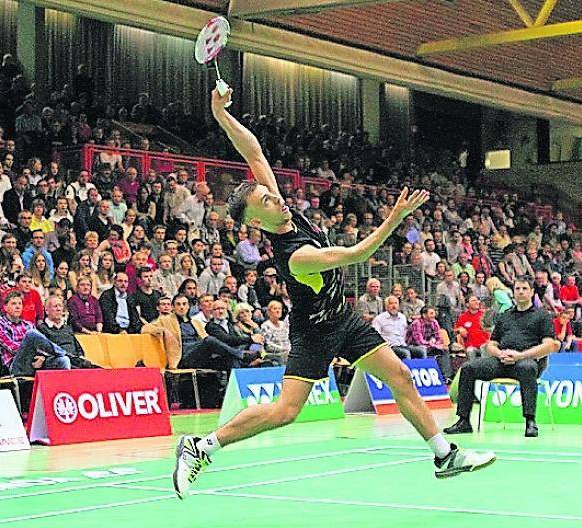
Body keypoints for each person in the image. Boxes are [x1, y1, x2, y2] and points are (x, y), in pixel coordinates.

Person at [172, 88, 495, 500]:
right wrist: (395, 217)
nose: (276, 198)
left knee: (399, 375)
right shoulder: (295, 257)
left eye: (271, 193)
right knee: (285, 411)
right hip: (314, 333)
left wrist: (221, 114)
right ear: (256, 221)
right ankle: (201, 447)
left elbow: (253, 152)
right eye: (267, 200)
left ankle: (444, 455)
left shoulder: (284, 211)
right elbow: (358, 253)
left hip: (342, 318)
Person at [445, 277, 559, 438]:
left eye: (525, 289)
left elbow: (549, 345)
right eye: (517, 288)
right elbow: (491, 344)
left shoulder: (542, 315)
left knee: (527, 368)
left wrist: (520, 355)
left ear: (532, 292)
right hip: (502, 361)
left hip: (527, 361)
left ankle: (530, 421)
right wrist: (500, 353)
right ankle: (463, 421)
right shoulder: (505, 316)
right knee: (468, 368)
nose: (520, 292)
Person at [0, 291, 71, 377]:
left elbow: (40, 345)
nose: (18, 306)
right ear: (5, 307)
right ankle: (64, 353)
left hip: (34, 362)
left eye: (20, 304)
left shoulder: (28, 324)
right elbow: (12, 348)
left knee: (63, 360)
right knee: (31, 334)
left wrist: (42, 357)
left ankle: (65, 382)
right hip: (15, 366)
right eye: (14, 304)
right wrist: (34, 355)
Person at [372, 295, 426, 361]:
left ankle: (422, 367)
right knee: (405, 353)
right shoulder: (379, 319)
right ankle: (405, 368)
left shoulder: (402, 317)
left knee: (421, 351)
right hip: (389, 347)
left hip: (402, 345)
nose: (394, 306)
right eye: (391, 303)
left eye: (396, 303)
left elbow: (404, 334)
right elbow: (375, 336)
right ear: (386, 306)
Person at [454, 295, 490, 361]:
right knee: (470, 350)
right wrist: (459, 329)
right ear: (467, 304)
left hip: (485, 345)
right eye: (473, 300)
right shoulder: (463, 317)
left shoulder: (485, 314)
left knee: (485, 349)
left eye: (477, 300)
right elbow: (455, 331)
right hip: (472, 347)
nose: (477, 302)